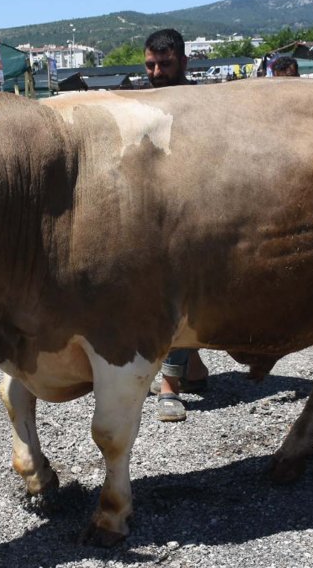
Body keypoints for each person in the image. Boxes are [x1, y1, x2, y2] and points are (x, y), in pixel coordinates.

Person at [142, 29, 210, 422]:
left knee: (180, 295)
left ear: (184, 62)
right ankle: (193, 369)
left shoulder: (199, 102)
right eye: (151, 64)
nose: (156, 72)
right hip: (153, 212)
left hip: (193, 210)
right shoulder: (137, 99)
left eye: (165, 64)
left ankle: (169, 386)